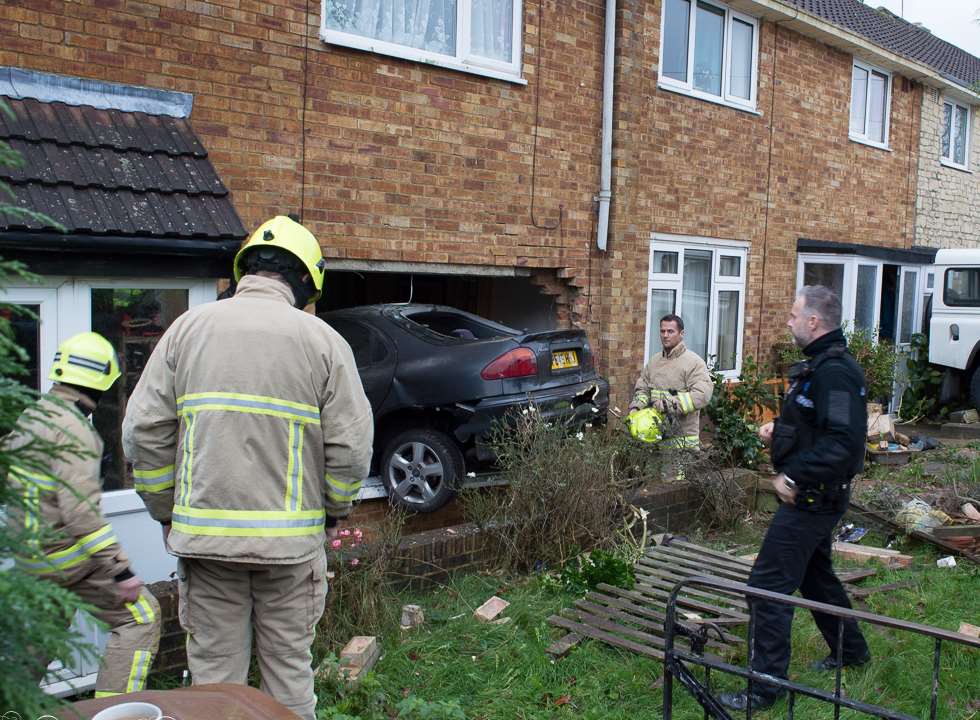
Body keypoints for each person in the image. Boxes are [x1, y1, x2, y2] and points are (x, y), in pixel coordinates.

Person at [122, 216, 374, 720]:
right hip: (291, 550)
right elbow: (351, 446)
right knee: (289, 675)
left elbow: (143, 432)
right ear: (306, 280)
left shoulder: (187, 330)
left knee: (214, 685)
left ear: (244, 272)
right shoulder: (323, 342)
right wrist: (333, 510)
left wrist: (165, 509)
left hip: (208, 547)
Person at [719, 285, 870, 712]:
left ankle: (764, 688)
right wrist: (780, 430)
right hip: (816, 497)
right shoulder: (819, 367)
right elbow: (817, 426)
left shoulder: (835, 372)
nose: (788, 321)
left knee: (766, 587)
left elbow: (844, 445)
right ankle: (852, 652)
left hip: (812, 499)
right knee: (816, 576)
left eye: (792, 315)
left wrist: (792, 474)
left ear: (814, 322)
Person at [5, 332, 160, 698]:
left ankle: (13, 707)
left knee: (39, 640)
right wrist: (120, 570)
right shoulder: (75, 431)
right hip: (68, 558)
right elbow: (80, 513)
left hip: (33, 560)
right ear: (103, 381)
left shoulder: (33, 416)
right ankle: (113, 711)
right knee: (141, 618)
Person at [628, 314, 712, 448]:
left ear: (681, 333)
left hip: (682, 443)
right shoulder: (654, 362)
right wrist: (636, 408)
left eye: (670, 331)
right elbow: (642, 388)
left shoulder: (694, 363)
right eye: (662, 331)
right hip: (653, 440)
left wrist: (668, 405)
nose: (665, 335)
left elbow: (702, 395)